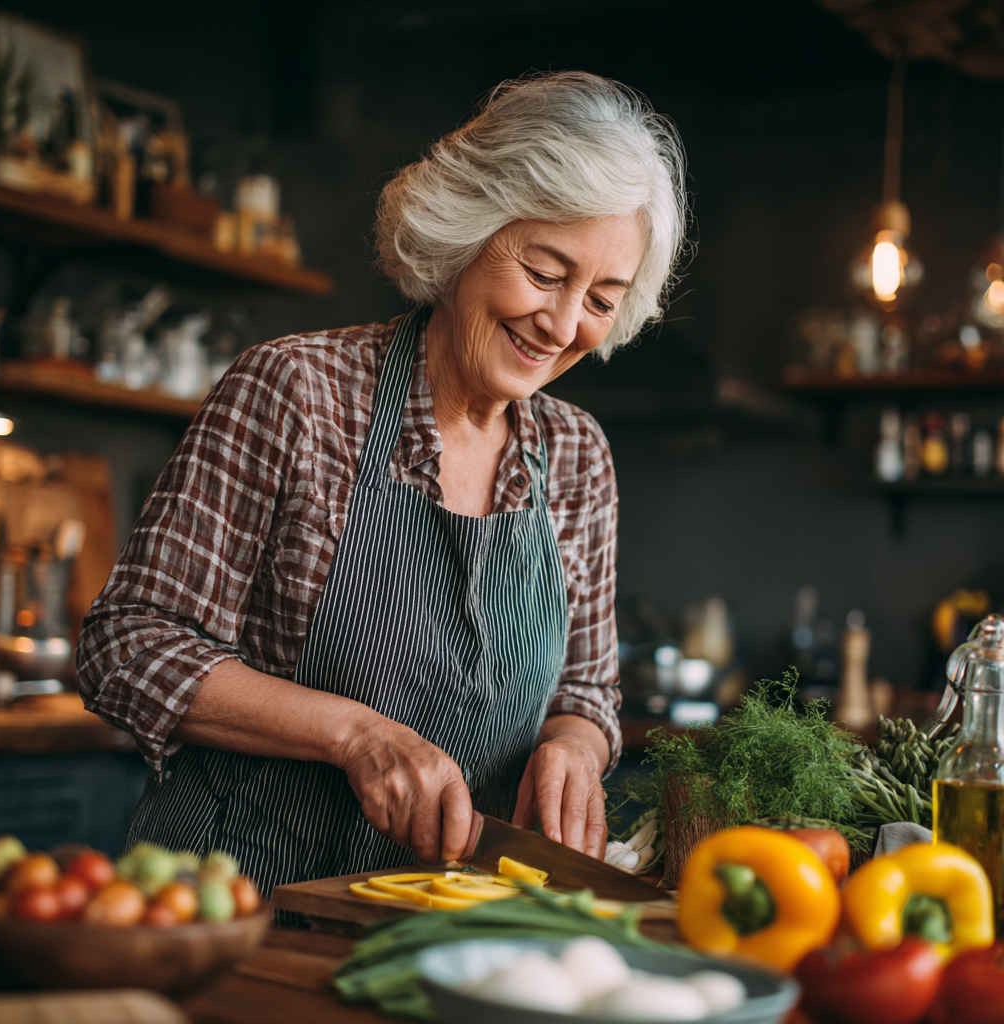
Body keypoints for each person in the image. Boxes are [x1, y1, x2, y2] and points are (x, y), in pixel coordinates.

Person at [77, 71, 687, 896]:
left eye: (602, 298)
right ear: (468, 230)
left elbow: (584, 687)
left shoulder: (577, 455)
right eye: (545, 274)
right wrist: (353, 734)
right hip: (247, 908)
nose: (564, 323)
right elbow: (129, 646)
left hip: (454, 919)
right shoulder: (297, 391)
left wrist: (574, 746)